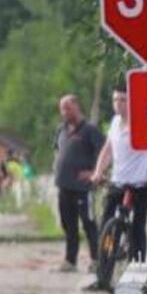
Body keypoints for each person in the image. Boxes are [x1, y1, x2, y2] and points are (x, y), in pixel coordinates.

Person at [90, 85, 147, 268]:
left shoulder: (143, 123)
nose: (118, 104)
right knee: (106, 224)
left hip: (141, 183)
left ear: (131, 102)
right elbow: (108, 150)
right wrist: (98, 171)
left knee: (138, 228)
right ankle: (103, 267)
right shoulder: (115, 122)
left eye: (123, 100)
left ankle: (137, 269)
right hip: (118, 181)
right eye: (115, 100)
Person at [52, 94, 105, 272]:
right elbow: (57, 151)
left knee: (89, 223)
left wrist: (94, 172)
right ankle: (70, 260)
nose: (64, 112)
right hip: (64, 185)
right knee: (69, 224)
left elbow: (104, 153)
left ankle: (96, 260)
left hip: (83, 188)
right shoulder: (61, 130)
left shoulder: (90, 130)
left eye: (67, 107)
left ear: (76, 106)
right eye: (62, 109)